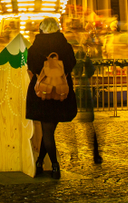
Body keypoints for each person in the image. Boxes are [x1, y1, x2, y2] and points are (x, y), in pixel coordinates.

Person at [26, 17, 78, 179]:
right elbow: (71, 64)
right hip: (61, 92)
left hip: (42, 93)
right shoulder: (66, 46)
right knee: (49, 130)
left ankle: (55, 166)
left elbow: (32, 66)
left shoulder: (36, 47)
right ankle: (40, 162)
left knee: (47, 132)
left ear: (41, 29)